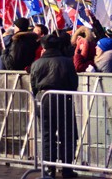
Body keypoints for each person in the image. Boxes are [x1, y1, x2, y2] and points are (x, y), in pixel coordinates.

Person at [30, 35, 79, 179]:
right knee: (67, 136)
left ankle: (48, 170)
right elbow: (73, 83)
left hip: (44, 101)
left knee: (47, 136)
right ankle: (67, 170)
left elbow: (33, 86)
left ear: (44, 47)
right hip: (64, 100)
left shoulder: (37, 63)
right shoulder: (67, 62)